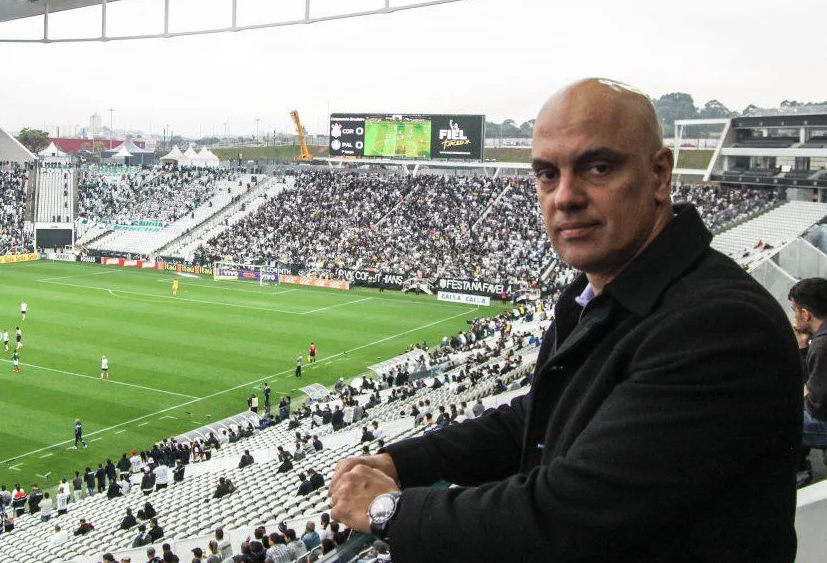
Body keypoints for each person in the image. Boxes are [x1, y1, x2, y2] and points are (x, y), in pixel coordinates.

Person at [327, 78, 803, 562]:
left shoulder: (718, 326)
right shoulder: (595, 295)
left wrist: (391, 509)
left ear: (660, 175)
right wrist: (400, 461)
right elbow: (536, 421)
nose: (565, 196)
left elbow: (568, 517)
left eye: (598, 167)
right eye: (547, 174)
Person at [789, 277, 827, 485]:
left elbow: (816, 407)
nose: (794, 315)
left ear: (806, 314)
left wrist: (802, 392)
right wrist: (803, 347)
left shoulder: (822, 346)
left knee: (781, 417)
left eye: (795, 310)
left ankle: (797, 472)